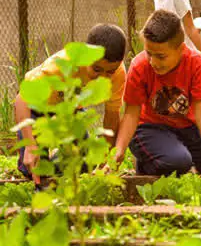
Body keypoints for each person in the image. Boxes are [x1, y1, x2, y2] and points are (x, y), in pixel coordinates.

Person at [111, 10, 201, 183]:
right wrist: (117, 154)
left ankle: (178, 155)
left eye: (161, 56)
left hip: (188, 129)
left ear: (181, 49)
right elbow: (130, 114)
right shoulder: (140, 65)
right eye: (149, 53)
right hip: (149, 129)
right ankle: (159, 160)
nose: (153, 62)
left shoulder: (198, 64)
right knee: (176, 162)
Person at [15, 24, 127, 181]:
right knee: (33, 165)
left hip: (69, 111)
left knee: (84, 163)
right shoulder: (61, 64)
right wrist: (30, 145)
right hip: (37, 107)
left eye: (110, 72)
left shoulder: (119, 73)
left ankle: (54, 168)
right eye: (96, 69)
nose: (103, 77)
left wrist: (105, 158)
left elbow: (112, 115)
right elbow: (21, 99)